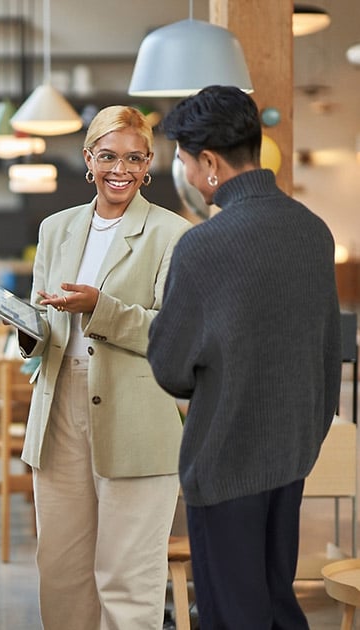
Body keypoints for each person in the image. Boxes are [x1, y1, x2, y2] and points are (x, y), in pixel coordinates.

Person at [148, 85, 342, 629]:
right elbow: (328, 348)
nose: (184, 173)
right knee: (276, 604)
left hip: (227, 457)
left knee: (232, 615)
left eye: (184, 161)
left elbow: (169, 367)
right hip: (291, 455)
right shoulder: (312, 231)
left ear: (208, 163)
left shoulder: (203, 246)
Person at [17, 105, 192, 629]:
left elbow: (173, 336)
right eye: (109, 156)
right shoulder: (56, 228)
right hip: (58, 411)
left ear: (149, 164)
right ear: (88, 159)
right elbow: (44, 325)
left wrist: (100, 308)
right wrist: (25, 327)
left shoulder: (172, 234)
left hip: (136, 412)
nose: (121, 169)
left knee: (128, 575)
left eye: (134, 158)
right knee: (61, 569)